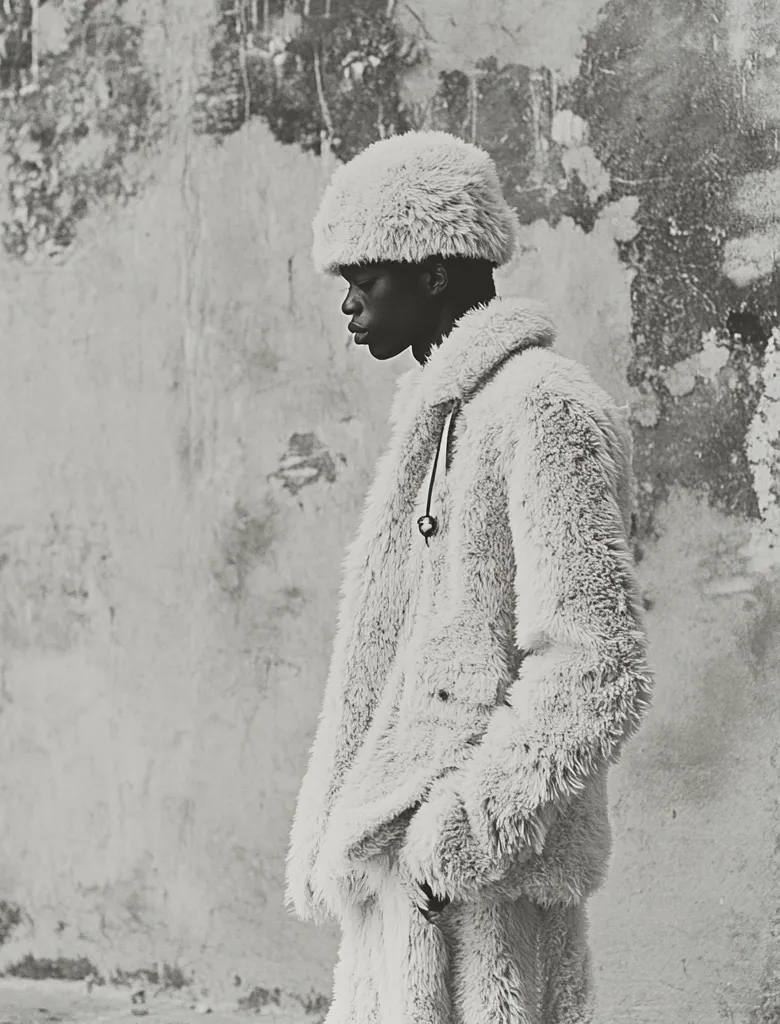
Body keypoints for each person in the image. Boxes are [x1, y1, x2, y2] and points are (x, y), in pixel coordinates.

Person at [285, 131, 653, 1024]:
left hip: (475, 888)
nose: (348, 306)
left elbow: (596, 666)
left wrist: (463, 831)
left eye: (364, 280)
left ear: (435, 270)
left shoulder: (540, 406)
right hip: (404, 877)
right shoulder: (444, 419)